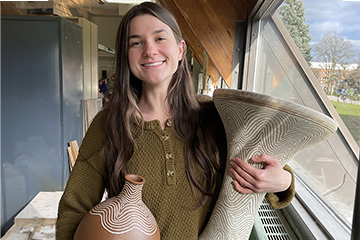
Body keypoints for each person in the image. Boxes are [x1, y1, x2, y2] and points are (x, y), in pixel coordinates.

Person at [56, 2, 294, 239]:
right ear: (126, 56)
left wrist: (282, 181)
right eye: (136, 42)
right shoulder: (109, 124)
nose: (149, 50)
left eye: (160, 38)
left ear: (180, 50)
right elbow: (73, 210)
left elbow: (268, 165)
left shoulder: (215, 116)